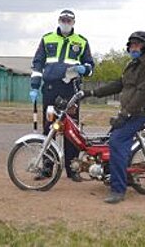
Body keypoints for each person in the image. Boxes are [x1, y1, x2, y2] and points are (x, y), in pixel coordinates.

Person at [82, 31, 145, 204]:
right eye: (131, 45)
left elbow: (143, 94)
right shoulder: (133, 64)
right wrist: (92, 92)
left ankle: (118, 190)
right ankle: (116, 174)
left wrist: (125, 115)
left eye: (137, 45)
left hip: (140, 113)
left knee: (116, 142)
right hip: (129, 111)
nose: (133, 47)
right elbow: (119, 84)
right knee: (107, 141)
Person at [30, 9, 95, 181]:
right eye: (63, 19)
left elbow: (90, 66)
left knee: (71, 129)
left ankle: (72, 169)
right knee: (49, 128)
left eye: (69, 20)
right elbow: (37, 64)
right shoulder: (47, 39)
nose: (66, 22)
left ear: (74, 23)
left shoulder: (81, 41)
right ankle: (47, 167)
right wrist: (34, 86)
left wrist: (85, 69)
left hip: (71, 90)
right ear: (58, 20)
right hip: (51, 89)